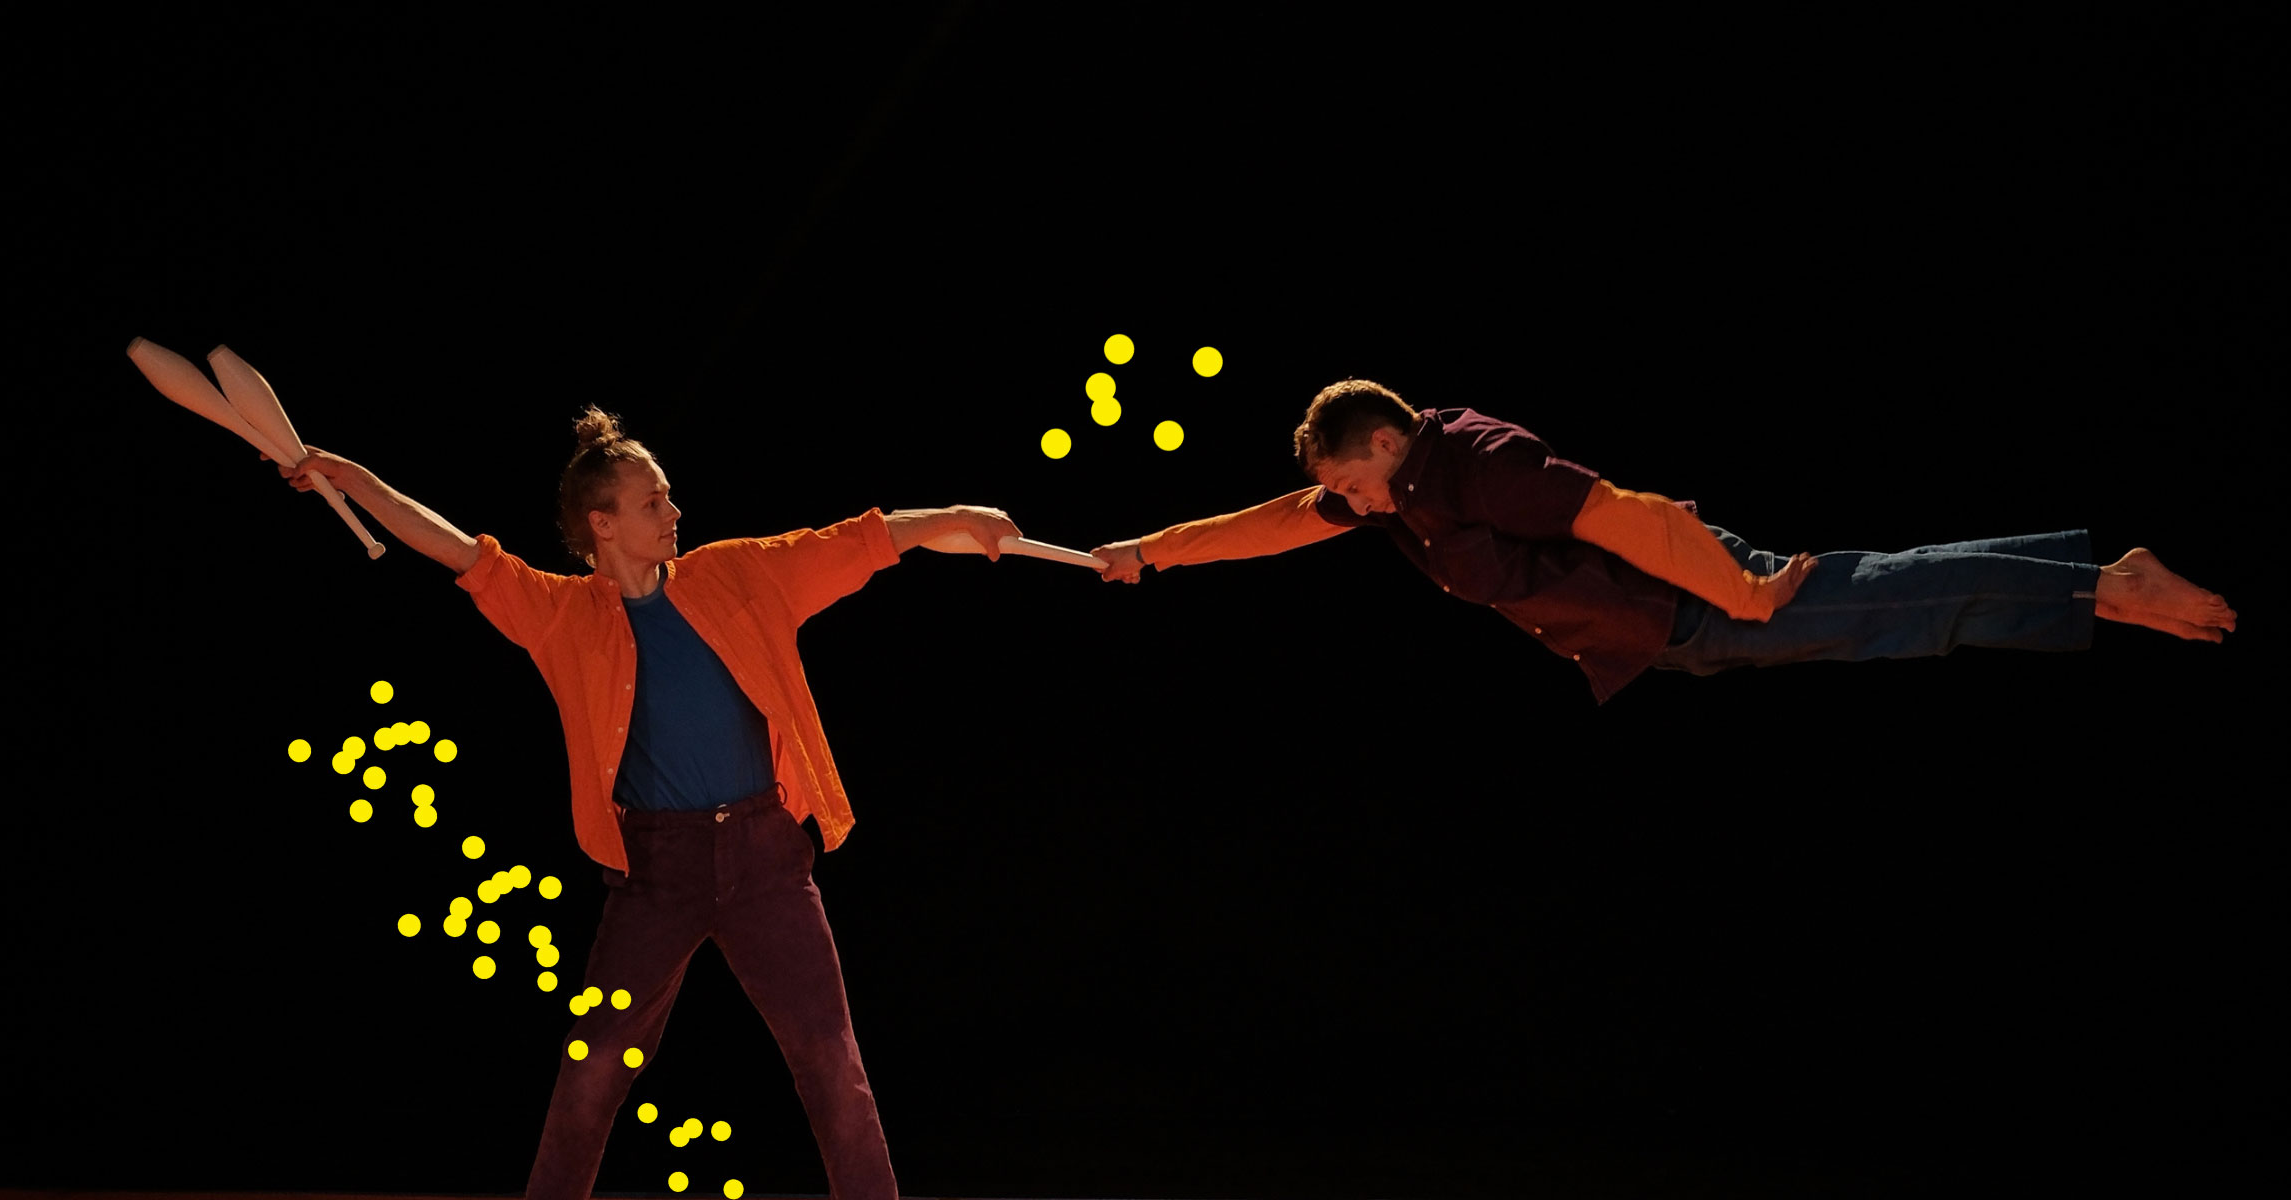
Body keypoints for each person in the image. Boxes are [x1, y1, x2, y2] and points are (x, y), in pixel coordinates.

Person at [274, 408, 1022, 1200]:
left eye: (667, 497)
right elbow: (458, 550)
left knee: (832, 1062)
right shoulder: (563, 616)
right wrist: (352, 479)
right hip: (655, 873)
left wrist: (957, 516)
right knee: (593, 1066)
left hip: (766, 859)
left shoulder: (735, 573)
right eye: (653, 502)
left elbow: (856, 541)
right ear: (602, 524)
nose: (674, 512)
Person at [1087, 380, 2235, 703]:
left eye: (1351, 483)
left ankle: (2100, 584)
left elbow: (1625, 513)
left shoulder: (1477, 465)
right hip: (1676, 627)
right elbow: (1268, 525)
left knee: (1885, 599)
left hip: (1695, 596)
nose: (1350, 506)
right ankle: (2088, 587)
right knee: (1890, 617)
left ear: (1384, 442)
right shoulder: (1399, 490)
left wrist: (1738, 591)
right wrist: (1149, 550)